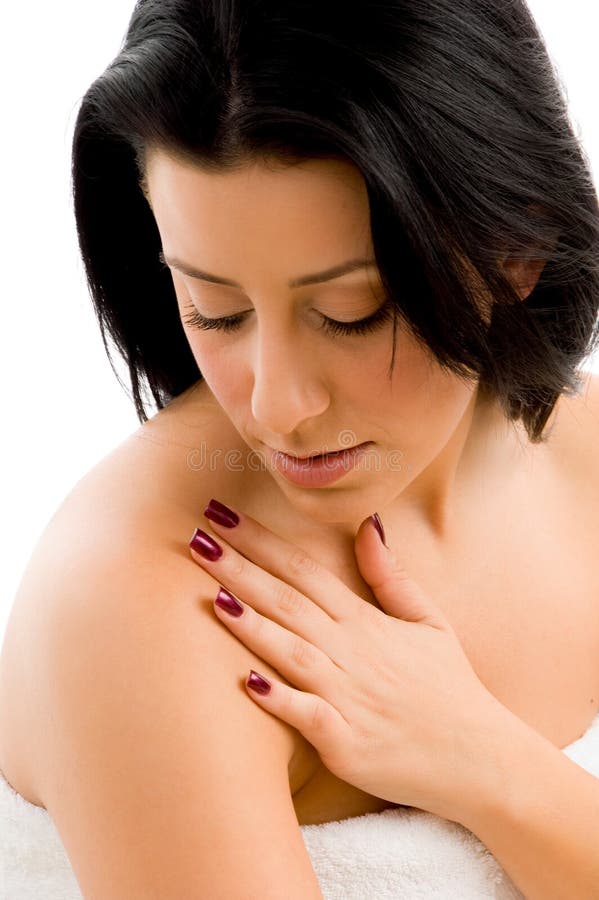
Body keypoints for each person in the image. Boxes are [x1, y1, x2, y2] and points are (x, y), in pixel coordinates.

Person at [2, 0, 599, 897]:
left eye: (350, 314)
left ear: (515, 251)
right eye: (215, 309)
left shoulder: (584, 462)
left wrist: (487, 764)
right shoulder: (146, 603)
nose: (277, 406)